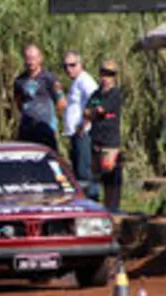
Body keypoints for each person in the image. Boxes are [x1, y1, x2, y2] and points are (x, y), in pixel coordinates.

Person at [84, 60, 123, 213]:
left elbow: (100, 110)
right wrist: (95, 112)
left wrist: (95, 112)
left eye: (110, 74)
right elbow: (87, 111)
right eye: (104, 73)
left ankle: (113, 208)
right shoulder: (96, 93)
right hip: (96, 139)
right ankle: (98, 208)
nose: (106, 77)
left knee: (111, 176)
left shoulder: (115, 94)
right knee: (96, 177)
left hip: (110, 142)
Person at [13, 44, 66, 152]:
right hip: (27, 128)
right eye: (28, 58)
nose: (30, 62)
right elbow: (18, 102)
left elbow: (62, 102)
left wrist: (53, 120)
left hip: (45, 127)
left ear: (40, 58)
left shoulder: (49, 78)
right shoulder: (19, 80)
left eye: (33, 58)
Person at [61, 51, 99, 200]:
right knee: (78, 171)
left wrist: (86, 122)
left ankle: (91, 203)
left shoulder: (85, 80)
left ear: (80, 64)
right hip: (76, 134)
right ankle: (84, 201)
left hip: (83, 134)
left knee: (84, 173)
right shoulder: (76, 81)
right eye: (66, 66)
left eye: (72, 65)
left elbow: (96, 100)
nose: (69, 69)